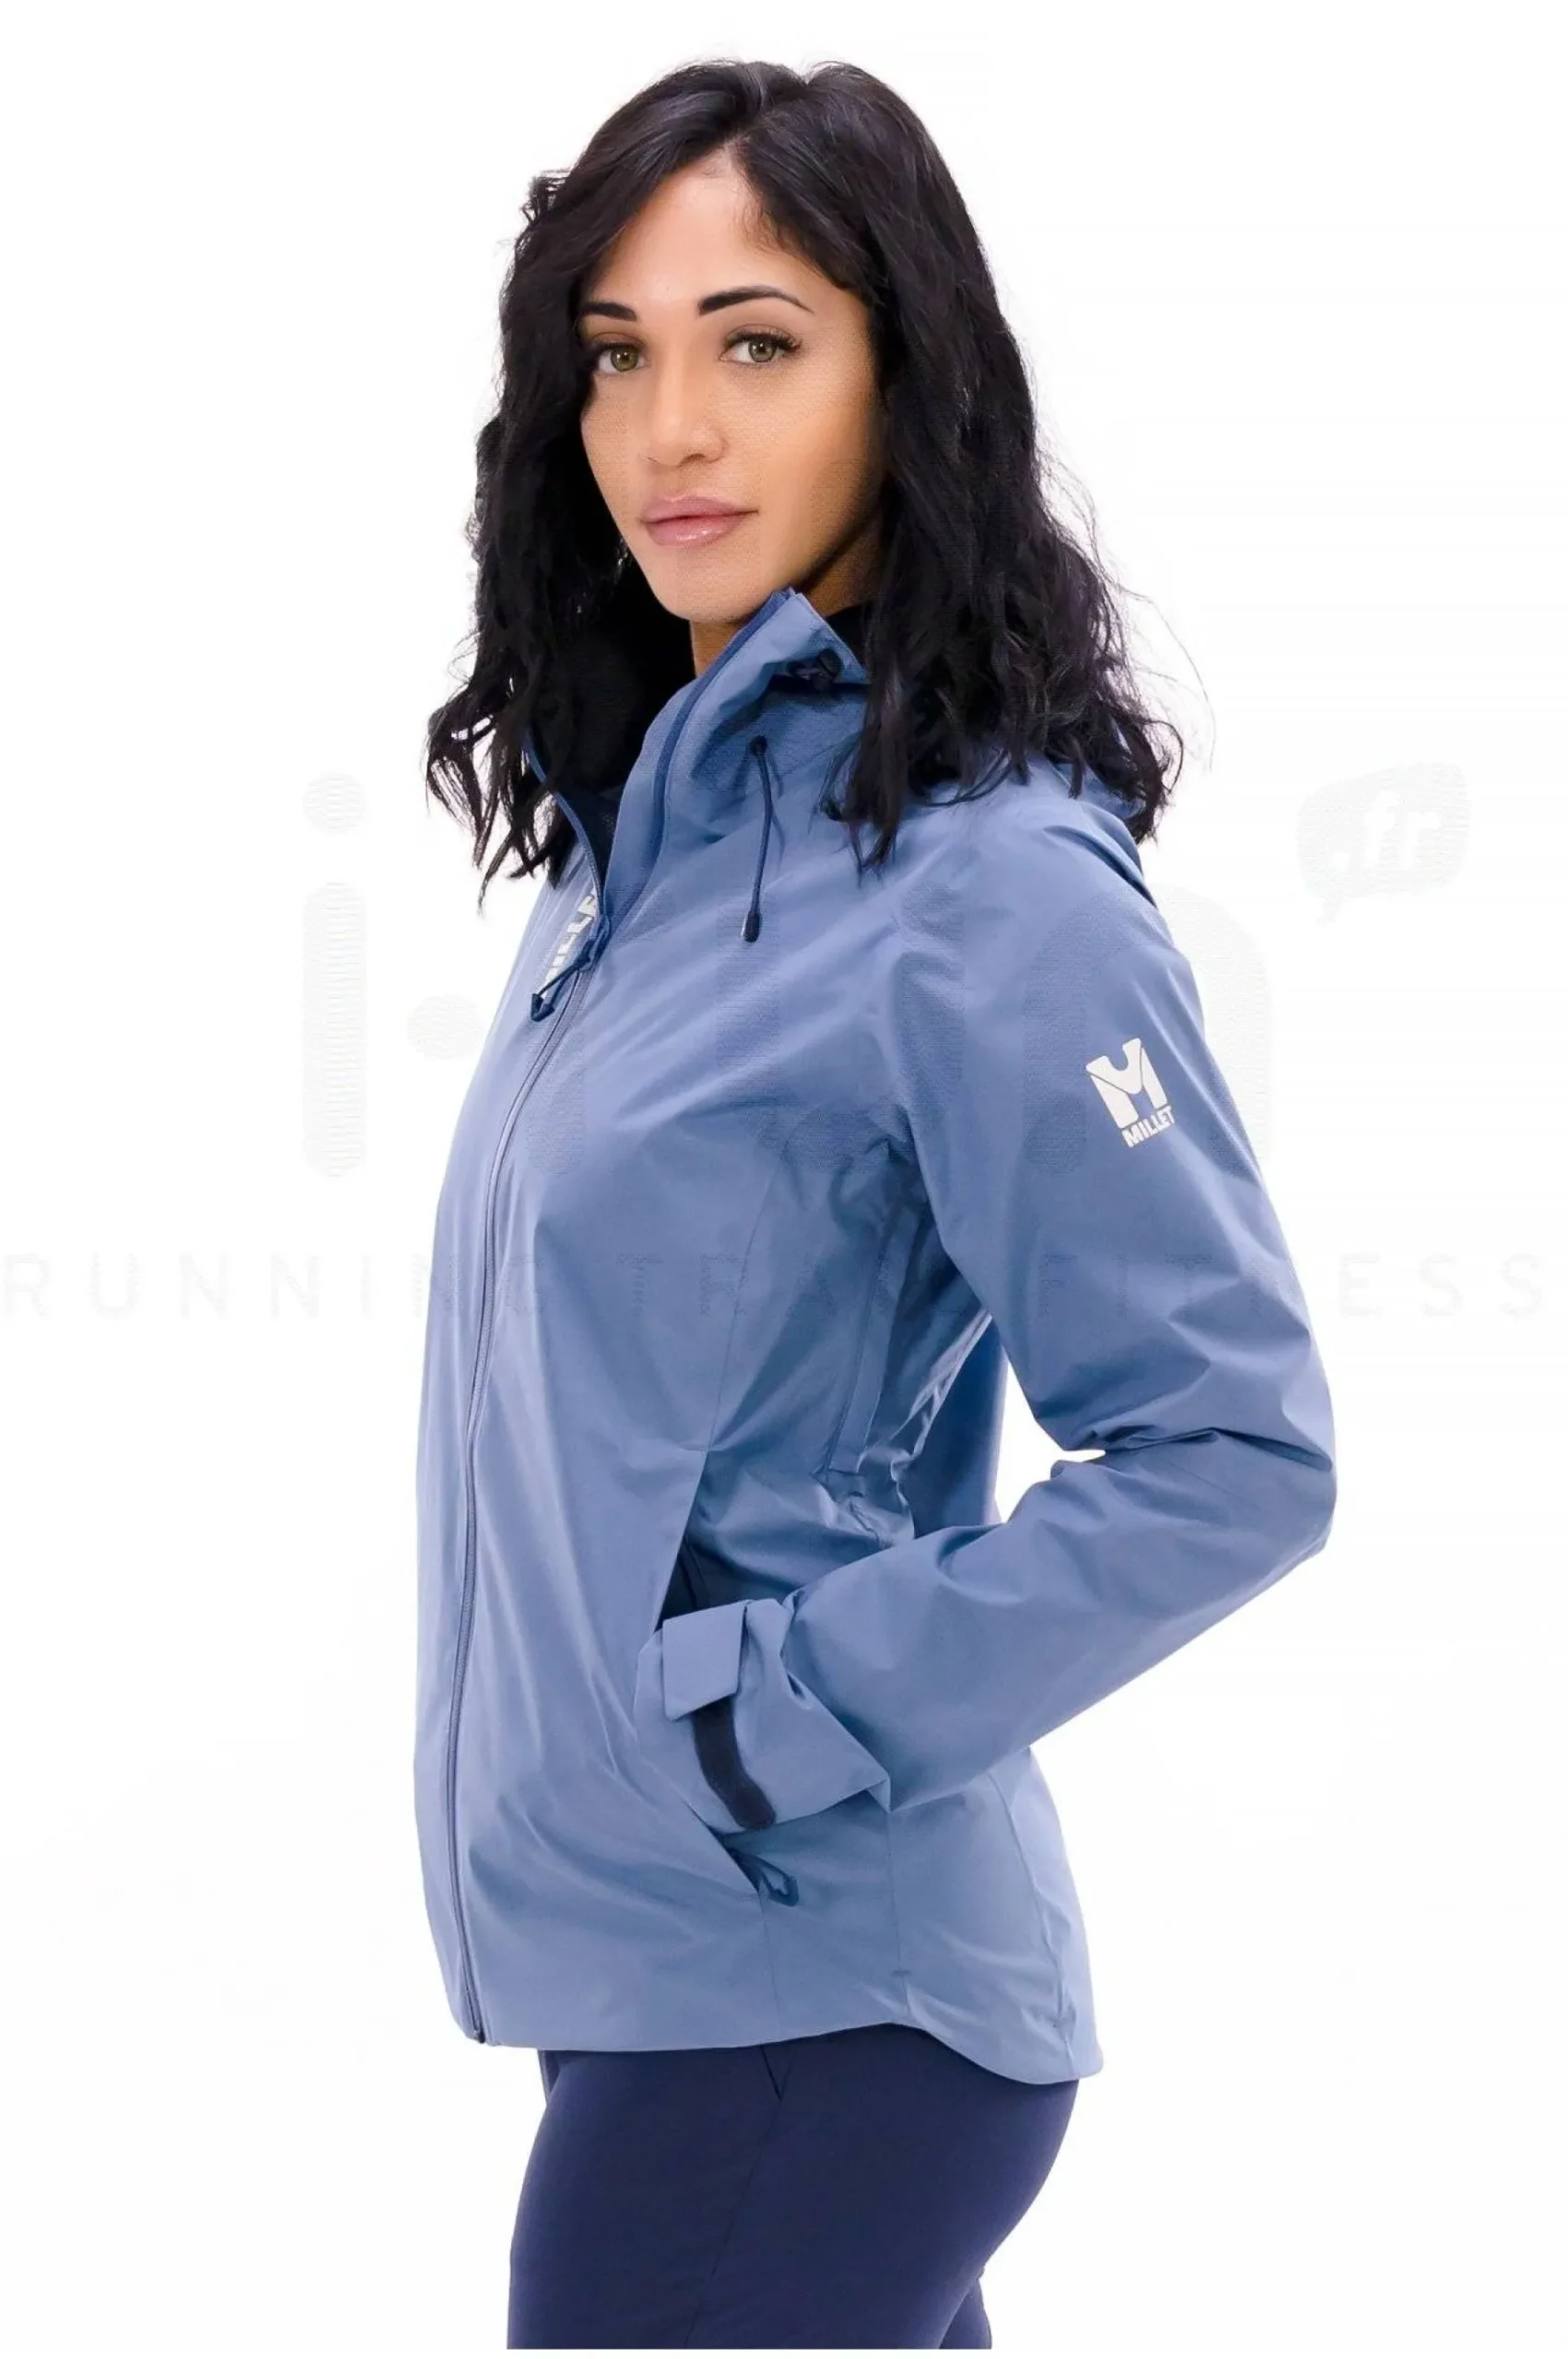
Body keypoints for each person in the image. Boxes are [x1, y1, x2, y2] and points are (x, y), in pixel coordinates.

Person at [415, 56, 1337, 2352]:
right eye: (615, 354)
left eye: (755, 341)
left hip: (814, 1999)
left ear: (900, 373)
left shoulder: (985, 885)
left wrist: (766, 1713)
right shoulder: (639, 856)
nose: (669, 428)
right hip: (658, 1970)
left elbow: (1233, 1446)